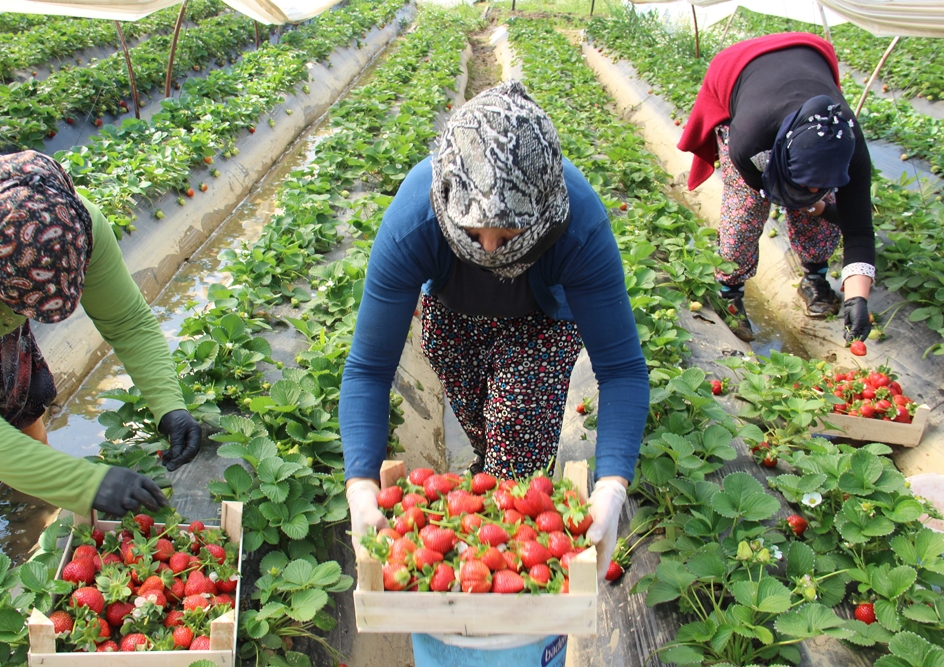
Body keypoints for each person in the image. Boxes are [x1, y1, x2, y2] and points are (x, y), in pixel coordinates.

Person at [340, 82, 649, 576]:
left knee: (519, 420)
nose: (487, 250)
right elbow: (369, 368)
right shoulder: (416, 220)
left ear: (542, 215)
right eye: (470, 231)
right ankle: (490, 464)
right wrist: (359, 483)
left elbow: (622, 370)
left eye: (508, 236)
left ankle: (508, 541)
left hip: (543, 320)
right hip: (451, 312)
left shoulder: (578, 225)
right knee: (481, 418)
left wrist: (612, 483)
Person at [0, 140, 201, 571]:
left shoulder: (68, 222)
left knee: (21, 395)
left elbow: (128, 322)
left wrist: (169, 406)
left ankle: (41, 516)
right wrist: (87, 483)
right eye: (18, 306)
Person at [679, 32, 875, 343]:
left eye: (820, 185)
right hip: (742, 72)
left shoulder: (850, 150)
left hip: (805, 62)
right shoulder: (749, 139)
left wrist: (857, 300)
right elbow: (763, 190)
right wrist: (791, 196)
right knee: (746, 207)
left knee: (816, 208)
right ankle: (730, 291)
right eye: (804, 182)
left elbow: (860, 229)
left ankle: (815, 277)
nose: (813, 190)